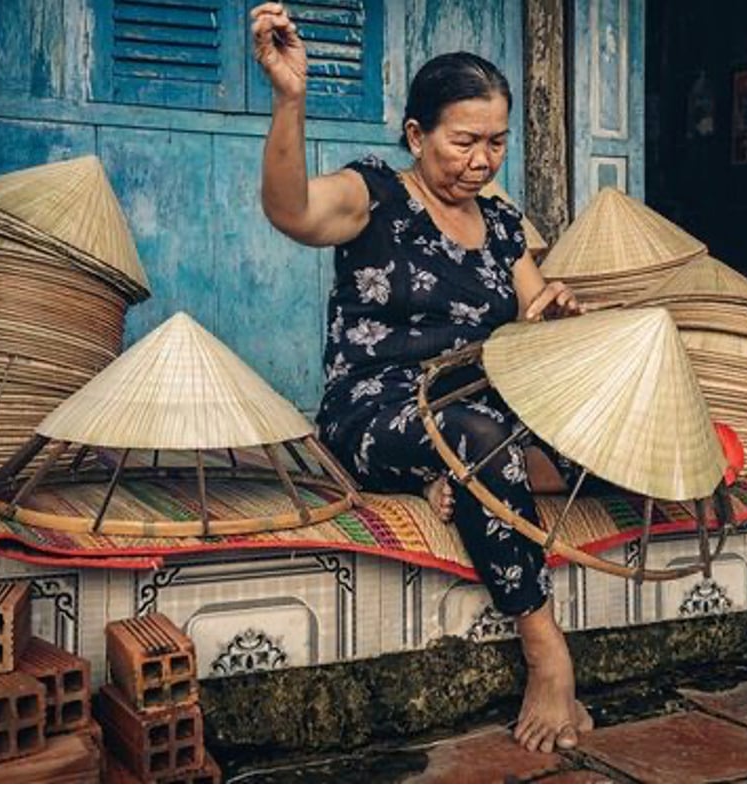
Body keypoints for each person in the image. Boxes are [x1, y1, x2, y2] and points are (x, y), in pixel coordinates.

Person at [251, 3, 592, 753]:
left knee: (588, 444)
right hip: (377, 409)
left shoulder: (502, 223)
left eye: (497, 142)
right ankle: (546, 652)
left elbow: (532, 317)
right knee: (482, 443)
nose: (481, 159)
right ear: (416, 136)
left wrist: (558, 311)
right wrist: (290, 100)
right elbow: (290, 210)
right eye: (463, 141)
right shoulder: (373, 193)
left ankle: (451, 485)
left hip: (477, 401)